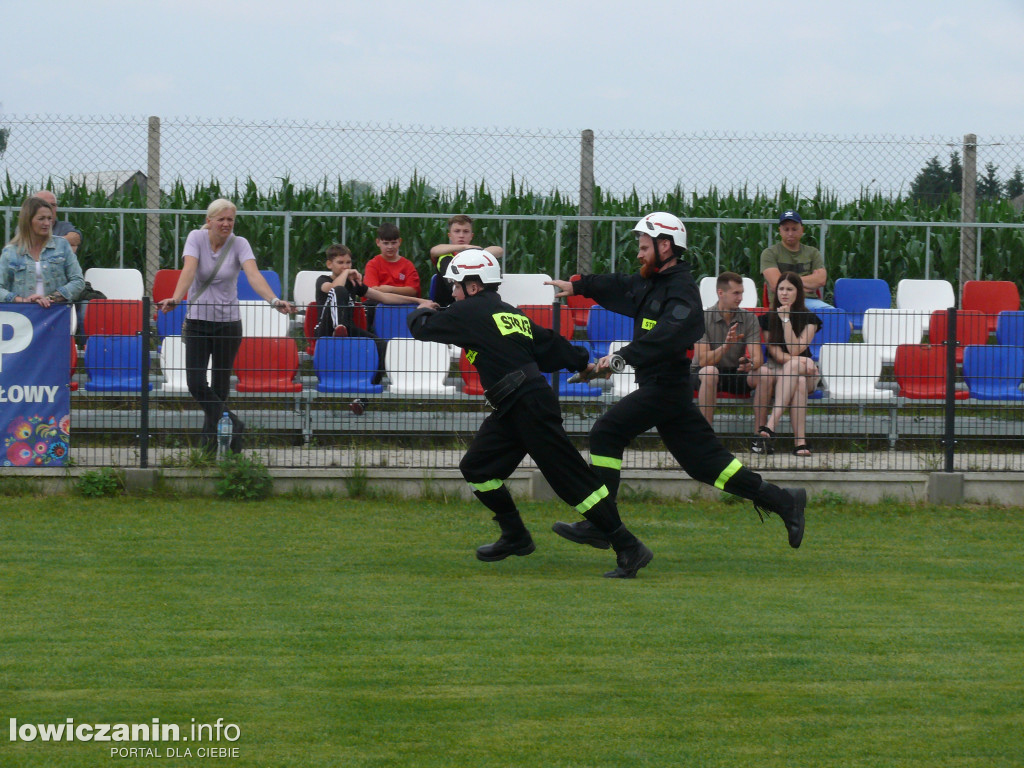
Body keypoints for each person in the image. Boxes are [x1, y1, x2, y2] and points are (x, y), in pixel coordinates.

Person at [547, 212, 806, 551]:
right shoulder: (653, 282)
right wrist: (580, 286)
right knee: (705, 465)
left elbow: (670, 335)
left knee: (606, 433)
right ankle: (785, 501)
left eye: (644, 247)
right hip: (664, 390)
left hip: (665, 388)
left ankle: (600, 523)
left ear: (665, 246)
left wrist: (622, 357)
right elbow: (622, 285)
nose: (639, 254)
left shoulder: (681, 291)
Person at [407, 249, 654, 578]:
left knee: (570, 479)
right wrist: (585, 362)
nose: (453, 293)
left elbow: (423, 329)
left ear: (474, 286)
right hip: (517, 404)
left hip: (526, 404)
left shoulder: (469, 310)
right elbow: (550, 343)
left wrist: (421, 311)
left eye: (456, 286)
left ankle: (628, 546)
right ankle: (515, 536)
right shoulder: (511, 314)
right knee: (477, 467)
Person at [156, 198, 296, 455]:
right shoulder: (196, 238)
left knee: (220, 389)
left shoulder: (240, 243)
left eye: (230, 219)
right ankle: (234, 424)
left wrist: (274, 300)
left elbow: (253, 274)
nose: (226, 224)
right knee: (196, 383)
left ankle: (208, 451)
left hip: (229, 324)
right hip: (198, 320)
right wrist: (177, 297)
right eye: (221, 219)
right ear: (209, 221)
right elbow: (189, 269)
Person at [314, 243, 436, 381]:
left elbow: (384, 297)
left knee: (381, 345)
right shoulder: (322, 280)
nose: (345, 266)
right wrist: (347, 273)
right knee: (339, 290)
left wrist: (418, 300)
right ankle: (338, 327)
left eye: (348, 263)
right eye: (340, 263)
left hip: (348, 329)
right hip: (325, 329)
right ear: (329, 264)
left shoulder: (354, 284)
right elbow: (334, 287)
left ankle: (369, 386)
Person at [693, 271, 774, 431]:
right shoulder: (702, 318)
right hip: (703, 373)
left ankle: (760, 434)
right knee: (710, 373)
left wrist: (750, 364)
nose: (740, 298)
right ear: (720, 293)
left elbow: (758, 358)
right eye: (736, 293)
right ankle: (706, 435)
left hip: (734, 372)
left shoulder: (749, 318)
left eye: (742, 293)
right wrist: (725, 346)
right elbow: (703, 361)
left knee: (765, 373)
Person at [753, 272, 821, 458]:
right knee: (796, 378)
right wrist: (803, 361)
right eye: (781, 289)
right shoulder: (767, 319)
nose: (784, 293)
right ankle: (800, 443)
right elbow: (777, 355)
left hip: (808, 375)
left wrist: (786, 320)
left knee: (797, 375)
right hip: (780, 372)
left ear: (798, 293)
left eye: (789, 289)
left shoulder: (810, 319)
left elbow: (794, 349)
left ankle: (771, 425)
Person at [0, 195, 85, 307]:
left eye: (49, 218)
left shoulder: (62, 245)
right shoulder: (10, 252)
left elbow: (78, 281)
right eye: (41, 219)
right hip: (22, 315)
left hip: (56, 312)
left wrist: (50, 299)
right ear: (27, 220)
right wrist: (23, 301)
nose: (47, 223)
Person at [428, 214, 504, 307]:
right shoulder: (445, 256)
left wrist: (475, 252)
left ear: (471, 236)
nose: (461, 235)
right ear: (450, 235)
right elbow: (434, 251)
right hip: (447, 305)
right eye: (457, 231)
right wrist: (465, 247)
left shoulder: (476, 255)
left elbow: (499, 250)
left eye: (466, 231)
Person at [760, 210, 830, 310]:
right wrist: (808, 285)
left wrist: (787, 282)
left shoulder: (813, 252)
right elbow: (775, 284)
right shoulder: (769, 253)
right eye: (786, 229)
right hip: (782, 303)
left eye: (794, 229)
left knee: (842, 320)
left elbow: (821, 280)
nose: (790, 233)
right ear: (780, 231)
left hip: (810, 301)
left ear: (802, 230)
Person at [363, 222, 420, 298]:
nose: (390, 247)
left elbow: (413, 290)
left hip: (403, 306)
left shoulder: (407, 265)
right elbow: (371, 290)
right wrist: (401, 291)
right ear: (378, 242)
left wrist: (390, 289)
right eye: (386, 243)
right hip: (379, 306)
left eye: (393, 243)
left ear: (400, 242)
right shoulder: (373, 264)